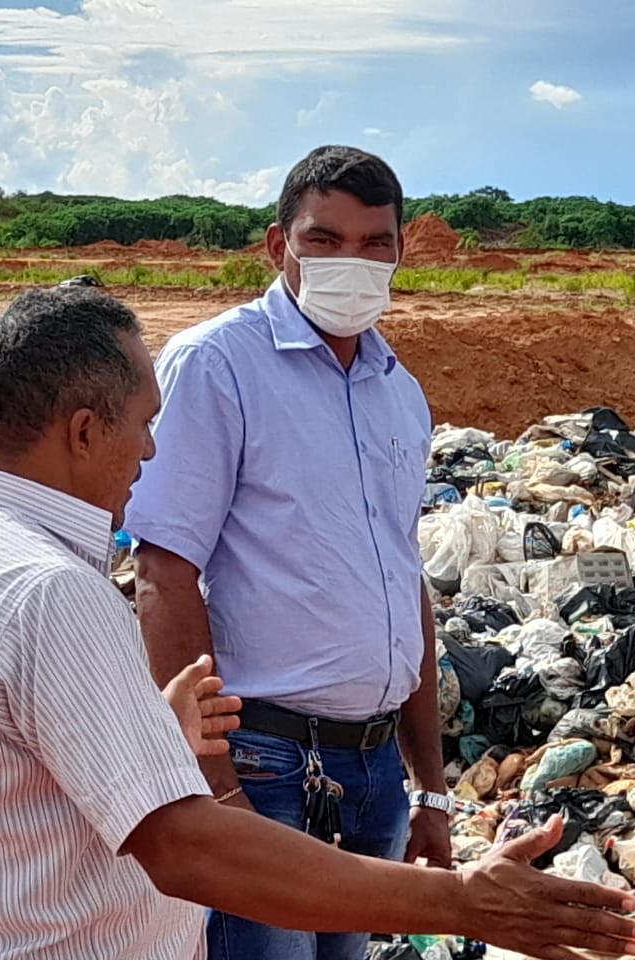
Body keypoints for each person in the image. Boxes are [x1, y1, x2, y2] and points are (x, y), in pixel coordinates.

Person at [0, 285, 635, 960]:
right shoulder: (47, 591)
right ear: (85, 431)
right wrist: (464, 902)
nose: (153, 450)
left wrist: (143, 730)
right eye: (142, 422)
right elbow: (187, 848)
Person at [125, 144, 450, 959]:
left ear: (402, 252)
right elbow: (164, 572)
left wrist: (432, 789)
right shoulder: (219, 366)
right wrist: (216, 786)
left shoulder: (398, 392)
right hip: (263, 765)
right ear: (279, 247)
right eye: (325, 240)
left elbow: (403, 582)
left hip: (374, 775)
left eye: (376, 243)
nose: (354, 262)